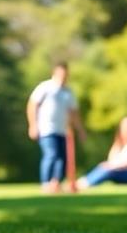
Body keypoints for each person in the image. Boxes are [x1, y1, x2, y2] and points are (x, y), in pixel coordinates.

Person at [28, 62, 87, 193]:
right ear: (55, 73)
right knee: (51, 154)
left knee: (62, 159)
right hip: (46, 129)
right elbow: (32, 105)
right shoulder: (45, 87)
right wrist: (33, 124)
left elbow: (73, 113)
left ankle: (55, 183)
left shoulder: (68, 91)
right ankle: (45, 183)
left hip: (62, 130)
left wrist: (80, 130)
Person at [77, 115, 127, 189]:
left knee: (108, 171)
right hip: (123, 173)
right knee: (103, 167)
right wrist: (117, 145)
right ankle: (82, 182)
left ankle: (83, 184)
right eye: (124, 127)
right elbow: (111, 159)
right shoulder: (123, 145)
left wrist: (111, 166)